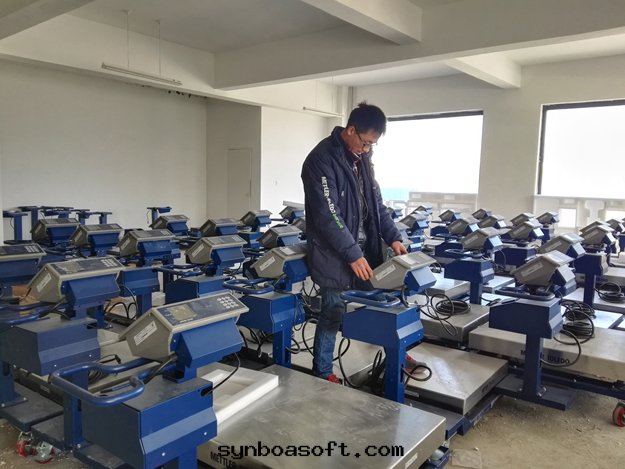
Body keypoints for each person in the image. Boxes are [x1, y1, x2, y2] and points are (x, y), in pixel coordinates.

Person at [301, 102, 408, 383]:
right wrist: (351, 254)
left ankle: (396, 354)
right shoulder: (321, 160)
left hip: (364, 252)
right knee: (332, 312)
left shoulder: (363, 160)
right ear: (350, 130)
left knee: (380, 304)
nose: (367, 148)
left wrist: (393, 237)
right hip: (334, 254)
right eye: (365, 142)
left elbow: (377, 206)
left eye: (372, 144)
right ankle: (323, 371)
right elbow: (328, 215)